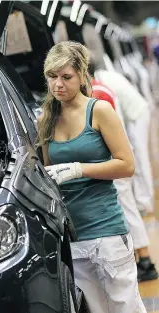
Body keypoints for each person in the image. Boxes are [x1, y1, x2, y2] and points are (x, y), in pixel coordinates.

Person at [36, 41, 147, 313]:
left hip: (106, 229)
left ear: (82, 75)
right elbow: (48, 172)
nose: (57, 84)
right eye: (52, 77)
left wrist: (80, 168)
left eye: (66, 77)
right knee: (95, 309)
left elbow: (126, 165)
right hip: (73, 234)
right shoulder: (46, 120)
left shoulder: (99, 111)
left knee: (125, 306)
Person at [89, 63, 158, 282]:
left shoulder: (97, 93)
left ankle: (145, 261)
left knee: (126, 207)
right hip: (118, 154)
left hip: (115, 159)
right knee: (127, 205)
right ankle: (142, 257)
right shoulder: (100, 86)